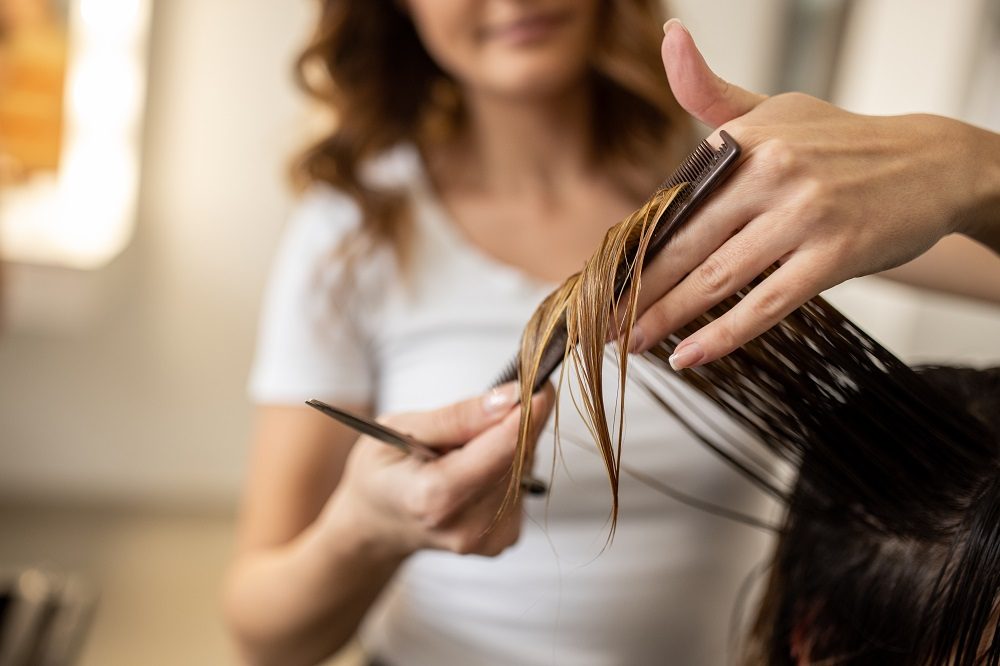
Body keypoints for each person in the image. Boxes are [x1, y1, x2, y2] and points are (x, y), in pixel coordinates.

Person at [224, 3, 1000, 665]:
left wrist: (973, 170)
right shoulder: (352, 233)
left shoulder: (740, 187)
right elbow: (264, 636)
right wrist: (366, 532)